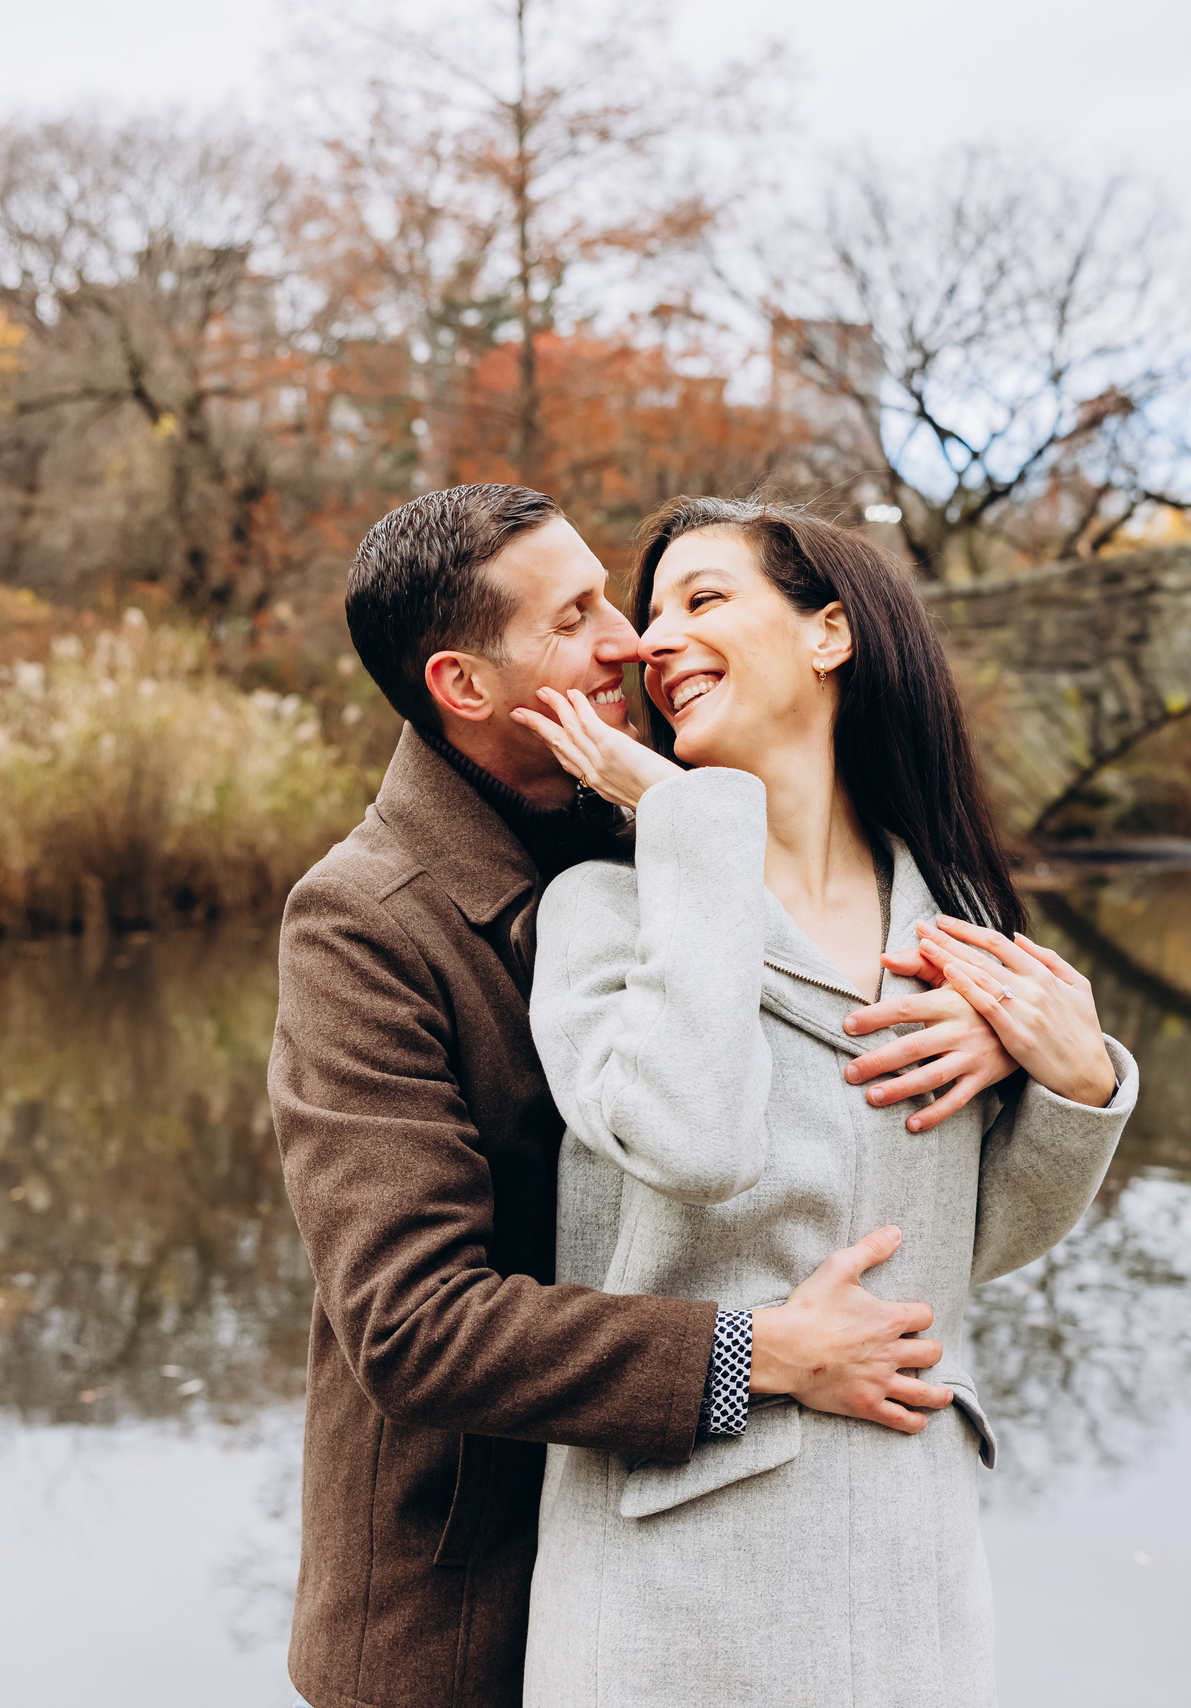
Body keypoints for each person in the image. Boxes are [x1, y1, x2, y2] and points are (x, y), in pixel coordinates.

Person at [272, 485, 1032, 1708]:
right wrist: (754, 1351)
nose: (630, 643)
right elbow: (413, 1326)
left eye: (610, 600)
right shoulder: (362, 921)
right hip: (464, 1602)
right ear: (464, 685)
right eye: (575, 619)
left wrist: (1007, 1044)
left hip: (728, 1560)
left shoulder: (657, 809)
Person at [510, 497, 1139, 1705]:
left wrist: (1074, 1078)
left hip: (913, 1581)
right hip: (679, 1596)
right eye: (651, 614)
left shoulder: (953, 919)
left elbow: (960, 1248)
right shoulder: (605, 911)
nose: (653, 641)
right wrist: (686, 819)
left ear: (830, 633)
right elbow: (691, 1140)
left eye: (702, 598)